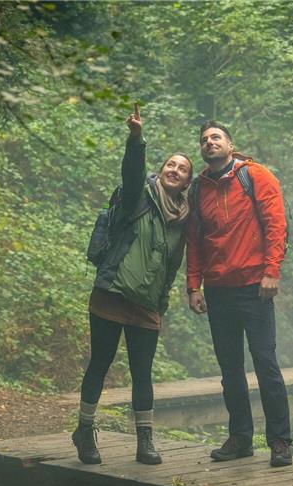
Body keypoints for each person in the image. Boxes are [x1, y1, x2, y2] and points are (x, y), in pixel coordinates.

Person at [73, 103, 193, 466]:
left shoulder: (183, 220)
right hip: (112, 294)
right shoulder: (138, 196)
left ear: (188, 182)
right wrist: (136, 139)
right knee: (101, 363)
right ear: (161, 170)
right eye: (171, 164)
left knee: (143, 372)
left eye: (183, 169)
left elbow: (172, 267)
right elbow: (131, 171)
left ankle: (145, 441)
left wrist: (161, 303)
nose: (175, 170)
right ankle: (84, 430)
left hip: (147, 306)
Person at [185, 121, 293, 467]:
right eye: (204, 140)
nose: (209, 142)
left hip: (254, 287)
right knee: (230, 367)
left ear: (231, 145)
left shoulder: (255, 176)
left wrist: (272, 271)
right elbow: (194, 242)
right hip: (218, 291)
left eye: (215, 137)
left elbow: (276, 226)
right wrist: (193, 285)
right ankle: (241, 438)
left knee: (265, 362)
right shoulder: (198, 189)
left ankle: (279, 441)